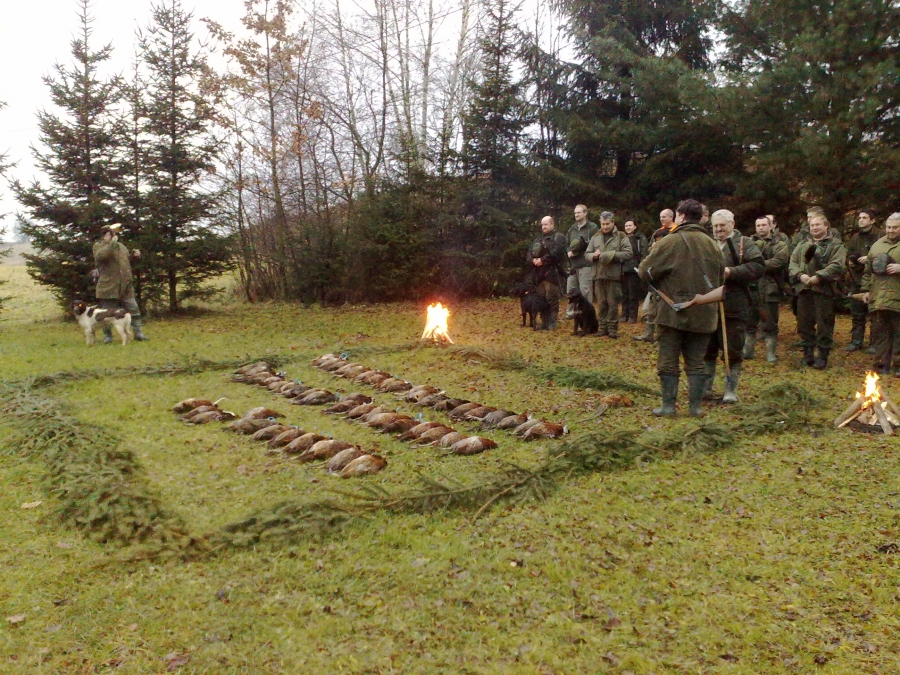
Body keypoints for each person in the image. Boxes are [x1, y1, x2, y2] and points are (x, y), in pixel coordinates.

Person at [638, 199, 724, 417]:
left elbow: (645, 271)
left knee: (668, 360)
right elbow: (721, 279)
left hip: (672, 312)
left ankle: (668, 407)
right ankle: (695, 408)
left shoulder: (670, 241)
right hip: (705, 313)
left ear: (682, 216)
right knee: (697, 363)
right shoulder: (713, 244)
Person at [702, 210, 764, 403]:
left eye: (722, 225)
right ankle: (705, 388)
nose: (718, 229)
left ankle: (730, 389)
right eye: (715, 226)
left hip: (734, 305)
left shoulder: (744, 244)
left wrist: (732, 272)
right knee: (707, 348)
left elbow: (758, 267)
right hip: (709, 305)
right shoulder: (707, 243)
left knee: (732, 349)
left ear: (732, 224)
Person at [788, 213, 847, 368]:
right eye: (812, 225)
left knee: (824, 324)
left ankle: (822, 356)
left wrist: (819, 276)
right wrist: (800, 275)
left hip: (824, 290)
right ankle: (808, 355)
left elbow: (837, 265)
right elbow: (793, 262)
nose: (814, 228)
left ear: (826, 226)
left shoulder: (835, 245)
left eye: (818, 225)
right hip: (804, 290)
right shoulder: (802, 244)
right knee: (804, 323)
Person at [93, 224, 148, 342]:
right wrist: (112, 243)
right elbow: (102, 256)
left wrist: (134, 256)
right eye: (110, 234)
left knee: (134, 310)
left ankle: (138, 334)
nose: (113, 236)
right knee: (106, 314)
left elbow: (126, 261)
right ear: (103, 236)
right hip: (108, 286)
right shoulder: (98, 246)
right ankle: (108, 336)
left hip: (126, 286)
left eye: (114, 234)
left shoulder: (121, 247)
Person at [861, 213, 900, 375]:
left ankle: (898, 366)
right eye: (889, 227)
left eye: (895, 228)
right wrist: (865, 290)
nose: (891, 230)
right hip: (879, 298)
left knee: (899, 333)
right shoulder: (877, 246)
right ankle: (881, 364)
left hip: (898, 297)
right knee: (881, 333)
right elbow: (867, 271)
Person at [748, 215, 790, 362]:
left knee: (770, 322)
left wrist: (755, 265)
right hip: (752, 286)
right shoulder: (748, 243)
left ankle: (770, 353)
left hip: (770, 287)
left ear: (771, 226)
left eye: (764, 225)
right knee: (749, 320)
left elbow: (778, 262)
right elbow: (742, 260)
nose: (761, 228)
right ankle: (748, 350)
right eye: (758, 225)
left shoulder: (780, 244)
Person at [584, 212, 632, 338]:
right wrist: (593, 256)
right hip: (598, 275)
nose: (605, 227)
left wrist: (610, 255)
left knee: (612, 304)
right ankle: (602, 328)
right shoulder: (595, 237)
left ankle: (612, 329)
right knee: (601, 304)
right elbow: (587, 254)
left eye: (607, 224)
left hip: (613, 276)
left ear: (613, 223)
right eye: (603, 224)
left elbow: (628, 253)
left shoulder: (621, 236)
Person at [634, 208, 676, 343]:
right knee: (651, 307)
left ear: (672, 217)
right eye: (660, 217)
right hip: (655, 275)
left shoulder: (676, 232)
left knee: (664, 309)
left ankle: (662, 337)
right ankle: (648, 334)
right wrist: (653, 248)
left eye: (664, 217)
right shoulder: (657, 232)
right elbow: (648, 251)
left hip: (669, 277)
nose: (662, 219)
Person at [844, 209, 883, 352]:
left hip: (876, 280)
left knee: (875, 314)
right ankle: (856, 340)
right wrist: (852, 261)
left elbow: (885, 256)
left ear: (872, 220)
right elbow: (849, 254)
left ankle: (875, 343)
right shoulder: (855, 238)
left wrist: (869, 258)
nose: (861, 220)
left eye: (864, 217)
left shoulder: (881, 236)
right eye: (860, 217)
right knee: (857, 313)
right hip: (857, 279)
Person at [528, 216, 568, 330]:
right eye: (542, 225)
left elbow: (557, 253)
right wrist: (533, 260)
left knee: (552, 298)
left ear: (552, 224)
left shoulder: (558, 237)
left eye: (546, 224)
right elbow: (529, 253)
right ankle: (544, 322)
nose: (543, 227)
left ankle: (552, 322)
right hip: (539, 274)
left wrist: (542, 260)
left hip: (552, 273)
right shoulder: (538, 239)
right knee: (541, 299)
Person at [564, 205, 599, 317]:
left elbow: (596, 243)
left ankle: (586, 313)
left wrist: (582, 246)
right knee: (571, 289)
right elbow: (566, 243)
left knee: (585, 291)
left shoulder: (592, 227)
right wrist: (569, 251)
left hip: (586, 264)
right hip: (573, 265)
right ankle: (570, 313)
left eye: (578, 212)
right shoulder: (572, 228)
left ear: (585, 213)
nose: (576, 215)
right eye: (575, 213)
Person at [621, 220, 648, 323]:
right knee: (624, 294)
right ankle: (624, 315)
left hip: (635, 270)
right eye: (626, 226)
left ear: (635, 226)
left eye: (630, 225)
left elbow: (644, 254)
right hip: (623, 269)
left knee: (633, 294)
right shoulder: (622, 238)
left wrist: (640, 267)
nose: (628, 227)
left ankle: (632, 316)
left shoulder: (640, 238)